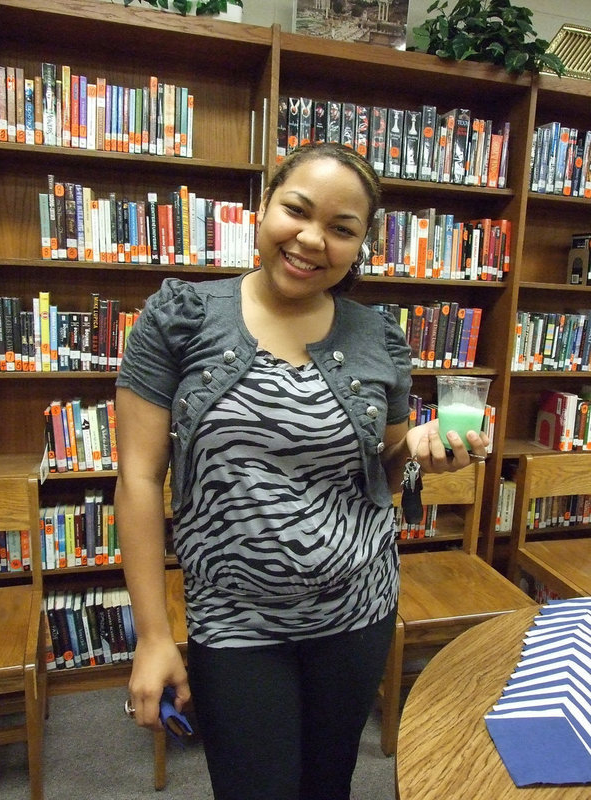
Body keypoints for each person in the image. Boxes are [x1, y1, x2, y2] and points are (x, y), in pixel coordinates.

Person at [114, 141, 489, 800]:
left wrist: (424, 447)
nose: (313, 239)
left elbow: (386, 457)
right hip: (236, 622)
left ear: (360, 244)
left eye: (342, 229)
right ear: (264, 208)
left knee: (327, 783)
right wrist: (152, 637)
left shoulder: (379, 339)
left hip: (358, 610)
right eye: (298, 210)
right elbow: (139, 479)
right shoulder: (179, 319)